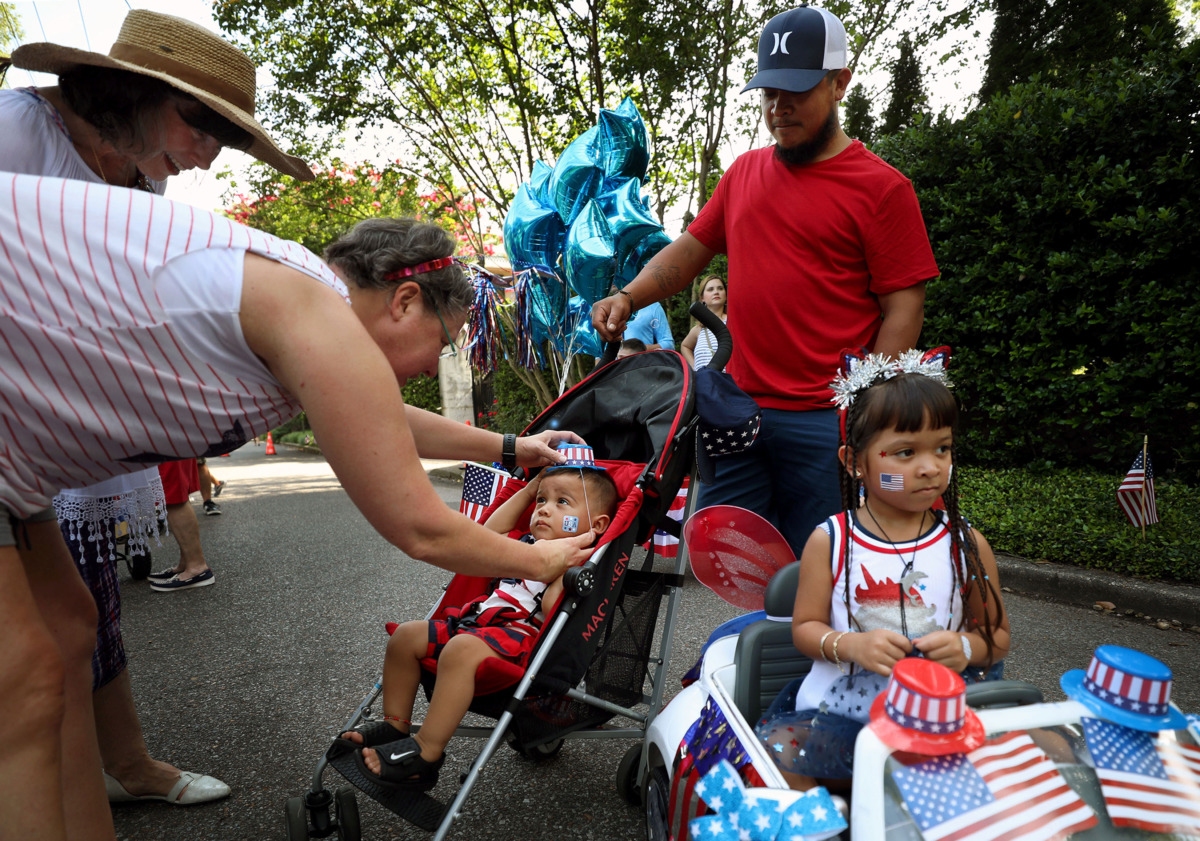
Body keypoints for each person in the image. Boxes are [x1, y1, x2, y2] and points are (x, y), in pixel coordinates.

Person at [0, 177, 597, 841]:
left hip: (17, 445)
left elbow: (383, 417)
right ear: (404, 299)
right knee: (24, 681)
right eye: (445, 339)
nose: (435, 364)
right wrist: (541, 557)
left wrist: (512, 444)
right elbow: (422, 528)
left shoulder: (309, 298)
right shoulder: (317, 315)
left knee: (70, 626)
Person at [3, 7, 314, 817]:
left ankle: (118, 766)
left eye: (227, 136)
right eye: (201, 123)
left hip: (64, 436)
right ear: (129, 91)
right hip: (15, 424)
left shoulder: (141, 174)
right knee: (30, 662)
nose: (209, 153)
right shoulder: (14, 131)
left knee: (80, 614)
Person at [592, 6, 938, 557]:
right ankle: (759, 644)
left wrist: (867, 412)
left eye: (796, 92)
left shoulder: (883, 189)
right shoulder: (744, 173)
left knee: (826, 567)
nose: (779, 108)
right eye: (769, 93)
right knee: (730, 558)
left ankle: (815, 646)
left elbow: (904, 307)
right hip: (738, 412)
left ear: (839, 83)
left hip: (828, 424)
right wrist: (628, 297)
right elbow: (688, 252)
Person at [754, 354, 1010, 790]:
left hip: (941, 713)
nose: (930, 467)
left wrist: (966, 646)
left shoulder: (966, 544)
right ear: (854, 462)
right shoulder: (830, 541)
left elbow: (997, 637)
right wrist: (850, 644)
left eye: (942, 448)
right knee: (781, 755)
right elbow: (805, 629)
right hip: (844, 713)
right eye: (906, 453)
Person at [332, 445, 619, 789]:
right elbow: (488, 533)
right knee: (405, 637)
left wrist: (567, 568)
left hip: (517, 639)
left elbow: (552, 610)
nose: (543, 509)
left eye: (562, 503)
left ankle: (426, 754)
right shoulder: (520, 541)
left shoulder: (574, 565)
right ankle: (395, 725)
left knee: (460, 650)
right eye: (542, 501)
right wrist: (528, 489)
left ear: (596, 525)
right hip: (474, 624)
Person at [680, 275, 727, 371]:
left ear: (726, 294)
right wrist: (695, 367)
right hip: (704, 383)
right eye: (710, 289)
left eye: (720, 288)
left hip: (728, 382)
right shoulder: (698, 329)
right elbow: (685, 346)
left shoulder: (733, 323)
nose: (716, 292)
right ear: (702, 298)